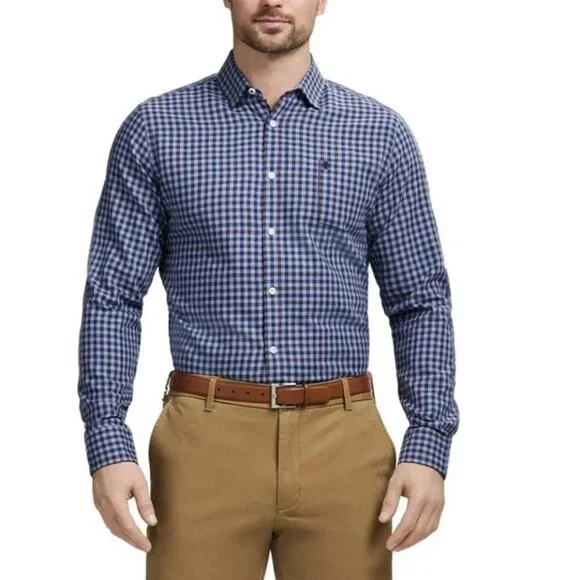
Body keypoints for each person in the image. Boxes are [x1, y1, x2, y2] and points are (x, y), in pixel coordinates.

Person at [77, 0, 460, 578]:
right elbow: (113, 295)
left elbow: (419, 300)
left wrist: (429, 442)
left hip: (345, 444)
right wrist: (108, 440)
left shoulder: (380, 134)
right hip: (203, 446)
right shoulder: (156, 128)